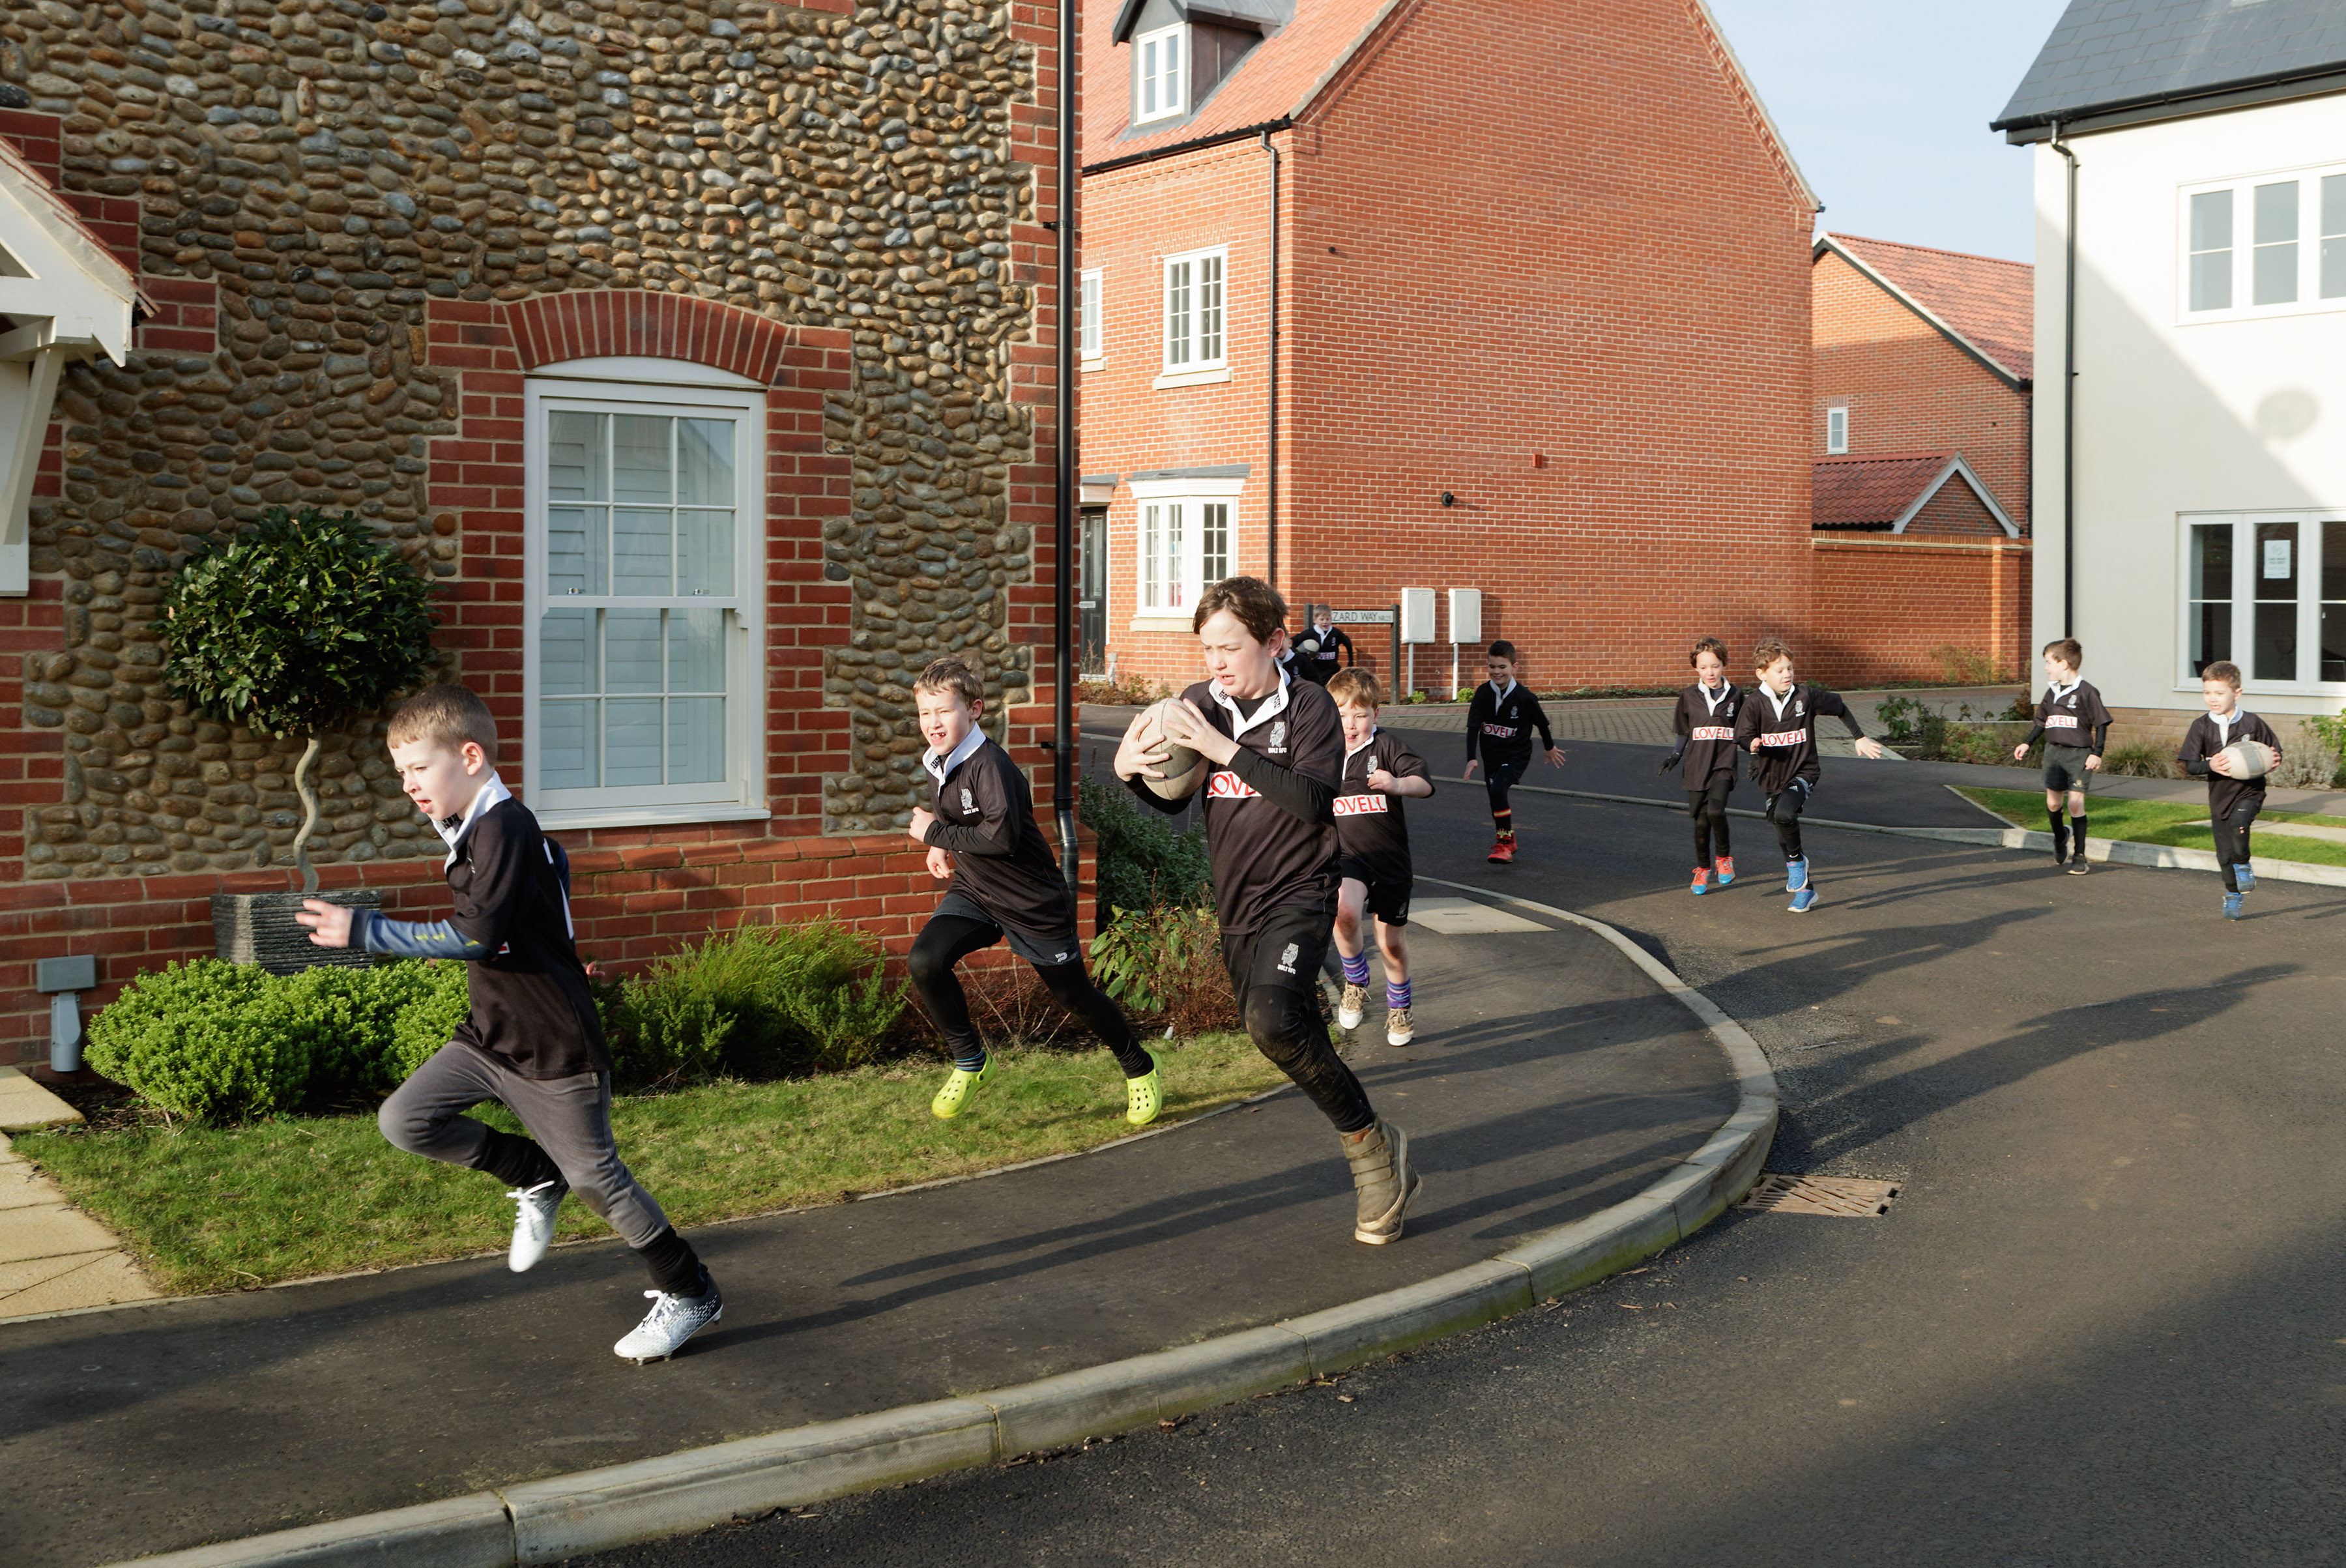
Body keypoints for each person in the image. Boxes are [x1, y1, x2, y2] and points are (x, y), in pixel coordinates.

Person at [295, 685, 722, 1365]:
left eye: (419, 769)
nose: (408, 785)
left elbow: (478, 936)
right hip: (490, 1035)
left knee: (599, 1179)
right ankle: (531, 1172)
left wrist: (365, 930)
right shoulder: (478, 825)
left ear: (470, 756)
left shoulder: (504, 826)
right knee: (405, 1120)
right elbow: (549, 876)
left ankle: (690, 1290)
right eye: (400, 772)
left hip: (553, 1046)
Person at [1114, 575, 1421, 1245]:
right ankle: (1382, 1144)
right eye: (1207, 650)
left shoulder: (1310, 706)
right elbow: (1172, 799)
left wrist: (1228, 748)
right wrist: (1129, 768)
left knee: (1273, 1019)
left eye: (1230, 647)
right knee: (1276, 1031)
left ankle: (1372, 1155)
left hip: (1302, 892)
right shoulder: (1200, 704)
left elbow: (1315, 800)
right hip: (1239, 905)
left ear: (1275, 642)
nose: (1216, 663)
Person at [903, 654, 1163, 1124]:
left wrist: (933, 836)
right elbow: (955, 813)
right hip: (977, 893)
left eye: (944, 711)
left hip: (1031, 904)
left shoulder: (992, 767)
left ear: (975, 709)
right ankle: (971, 1062)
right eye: (925, 712)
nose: (933, 723)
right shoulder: (937, 759)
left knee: (1075, 998)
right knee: (925, 960)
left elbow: (998, 840)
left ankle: (1139, 1066)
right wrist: (940, 844)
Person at [1731, 639, 1886, 912]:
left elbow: (1839, 706)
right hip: (1772, 777)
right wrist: (1751, 746)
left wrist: (1859, 737)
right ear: (1761, 674)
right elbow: (1741, 736)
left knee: (1785, 815)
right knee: (1782, 830)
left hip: (1804, 770)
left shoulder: (1805, 697)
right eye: (1779, 670)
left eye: (1789, 668)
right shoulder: (1754, 703)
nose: (1787, 674)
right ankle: (1806, 889)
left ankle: (1798, 864)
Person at [1325, 669, 1434, 1047]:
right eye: (1342, 715)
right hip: (1347, 857)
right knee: (1344, 912)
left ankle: (1399, 1008)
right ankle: (1355, 982)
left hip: (1390, 861)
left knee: (1389, 943)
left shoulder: (1387, 747)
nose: (1351, 725)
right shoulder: (1321, 750)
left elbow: (1424, 784)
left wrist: (1397, 784)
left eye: (1360, 715)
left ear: (1376, 715)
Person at [2176, 660, 2282, 920]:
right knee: (2224, 856)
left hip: (2250, 791)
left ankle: (2244, 862)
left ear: (2237, 693)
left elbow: (2273, 751)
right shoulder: (2200, 726)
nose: (2212, 699)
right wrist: (2210, 764)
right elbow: (2189, 766)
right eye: (2207, 693)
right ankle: (2233, 892)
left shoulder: (2253, 723)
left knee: (2240, 823)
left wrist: (2275, 759)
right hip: (2219, 796)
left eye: (2219, 693)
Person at [2013, 637, 2113, 874]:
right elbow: (2042, 722)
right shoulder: (2053, 692)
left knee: (2076, 804)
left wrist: (2097, 753)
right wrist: (2027, 743)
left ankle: (2079, 855)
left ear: (2064, 664)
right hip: (2054, 754)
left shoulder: (2088, 692)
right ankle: (2060, 837)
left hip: (2078, 755)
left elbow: (2102, 723)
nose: (2046, 667)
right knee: (2053, 803)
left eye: (2049, 662)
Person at [1461, 640, 1565, 864]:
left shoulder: (1524, 696)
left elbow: (1542, 724)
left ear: (1514, 668)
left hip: (1516, 755)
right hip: (1491, 756)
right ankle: (1509, 839)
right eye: (1492, 667)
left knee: (1499, 789)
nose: (1496, 672)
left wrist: (1549, 748)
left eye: (1502, 667)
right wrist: (1472, 758)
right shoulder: (1482, 693)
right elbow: (1472, 727)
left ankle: (1505, 844)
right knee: (1495, 798)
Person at [1660, 636, 1743, 894]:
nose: (1711, 672)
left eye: (1716, 666)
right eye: (1705, 666)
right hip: (1697, 767)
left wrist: (1760, 755)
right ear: (1696, 668)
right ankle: (1703, 869)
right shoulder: (1688, 697)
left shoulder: (1736, 695)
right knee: (1701, 823)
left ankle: (1724, 859)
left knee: (1716, 812)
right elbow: (1684, 732)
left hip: (1724, 764)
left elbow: (1748, 729)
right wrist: (1675, 755)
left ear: (1724, 665)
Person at [1295, 609, 1355, 688]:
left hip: (1331, 671)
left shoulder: (1336, 633)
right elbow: (1293, 642)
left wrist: (1351, 661)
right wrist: (1302, 656)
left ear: (1331, 620)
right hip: (1315, 671)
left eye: (1328, 619)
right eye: (1322, 619)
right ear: (1315, 620)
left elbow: (1348, 643)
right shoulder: (1310, 633)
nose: (1325, 622)